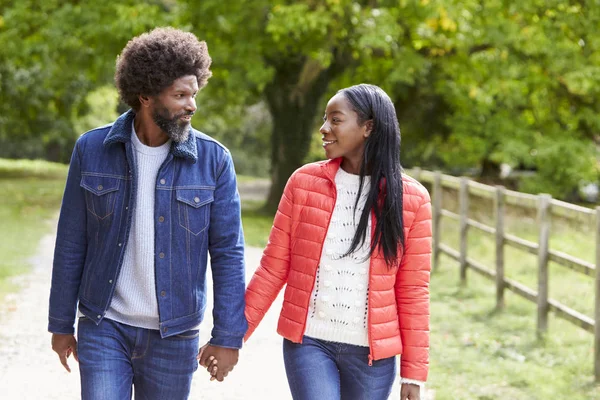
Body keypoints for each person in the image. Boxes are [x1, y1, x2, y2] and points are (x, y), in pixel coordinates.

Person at [48, 27, 247, 399]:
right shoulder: (91, 150)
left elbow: (228, 253)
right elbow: (71, 240)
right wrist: (61, 324)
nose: (192, 105)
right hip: (104, 324)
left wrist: (228, 337)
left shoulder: (214, 160)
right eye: (181, 95)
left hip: (174, 334)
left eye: (194, 94)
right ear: (145, 97)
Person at [241, 84, 432, 400]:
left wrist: (413, 373)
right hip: (310, 343)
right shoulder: (303, 183)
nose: (324, 128)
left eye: (335, 119)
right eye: (324, 119)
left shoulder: (411, 200)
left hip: (374, 356)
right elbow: (273, 268)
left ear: (368, 127)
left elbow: (412, 290)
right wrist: (232, 336)